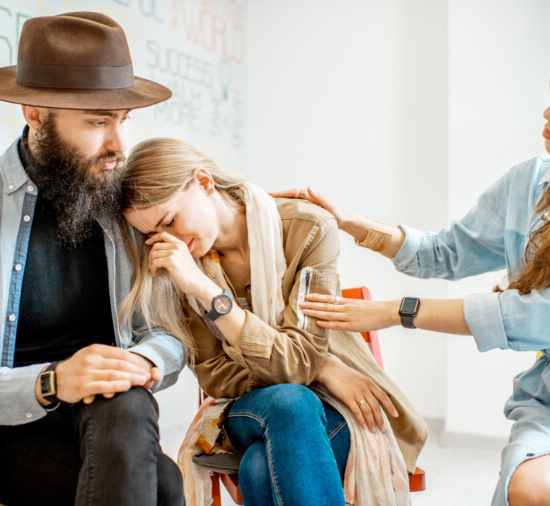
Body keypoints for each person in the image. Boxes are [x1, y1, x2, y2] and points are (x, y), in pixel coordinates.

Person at [281, 30, 550, 506]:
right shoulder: (528, 183)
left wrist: (397, 311)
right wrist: (354, 224)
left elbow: (535, 317)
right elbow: (445, 252)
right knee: (529, 489)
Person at [0, 12, 186, 506]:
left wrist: (139, 361)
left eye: (123, 121)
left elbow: (168, 335)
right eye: (98, 122)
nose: (119, 146)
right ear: (34, 111)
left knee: (127, 400)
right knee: (161, 484)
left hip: (107, 422)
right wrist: (55, 380)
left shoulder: (127, 211)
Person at [120, 137, 427, 505]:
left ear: (203, 182)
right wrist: (320, 367)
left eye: (170, 221)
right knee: (289, 400)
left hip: (336, 407)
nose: (169, 242)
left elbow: (300, 359)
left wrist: (296, 362)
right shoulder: (180, 271)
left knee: (259, 468)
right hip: (250, 410)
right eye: (153, 236)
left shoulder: (307, 229)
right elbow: (216, 375)